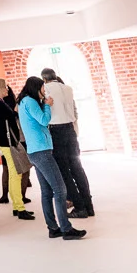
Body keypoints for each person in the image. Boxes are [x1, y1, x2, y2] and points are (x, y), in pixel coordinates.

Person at [16, 79, 83, 240]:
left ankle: (53, 228)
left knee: (47, 191)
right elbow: (44, 120)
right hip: (42, 151)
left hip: (36, 151)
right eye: (42, 87)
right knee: (60, 190)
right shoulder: (31, 102)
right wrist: (47, 105)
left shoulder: (25, 101)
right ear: (36, 88)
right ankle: (66, 229)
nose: (44, 90)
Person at [39, 67, 94, 218]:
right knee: (77, 168)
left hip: (56, 131)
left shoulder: (45, 89)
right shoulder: (68, 88)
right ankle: (89, 206)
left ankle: (79, 206)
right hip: (71, 130)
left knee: (64, 171)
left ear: (43, 79)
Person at [0, 79, 34, 218]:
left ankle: (17, 206)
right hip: (8, 143)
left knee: (15, 174)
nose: (7, 90)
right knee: (16, 175)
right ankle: (20, 208)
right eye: (5, 88)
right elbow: (12, 116)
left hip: (6, 142)